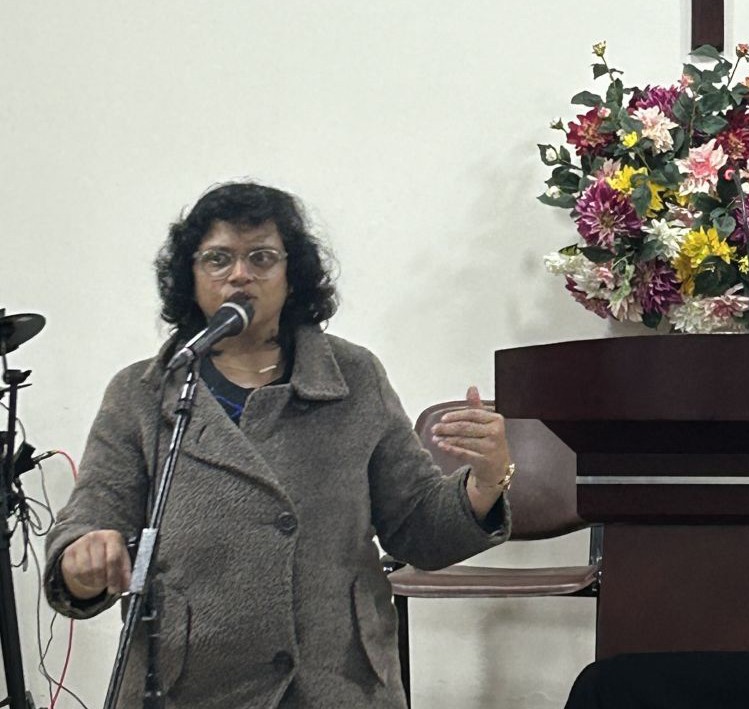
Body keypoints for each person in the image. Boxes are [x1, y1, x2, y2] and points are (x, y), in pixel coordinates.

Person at [44, 182, 513, 708]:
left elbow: (416, 530)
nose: (240, 274)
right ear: (190, 277)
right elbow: (89, 522)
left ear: (293, 276)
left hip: (335, 683)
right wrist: (83, 562)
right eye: (218, 259)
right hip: (184, 688)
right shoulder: (143, 392)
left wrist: (486, 482)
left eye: (261, 257)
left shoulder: (353, 377)